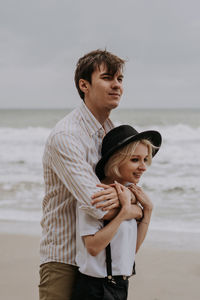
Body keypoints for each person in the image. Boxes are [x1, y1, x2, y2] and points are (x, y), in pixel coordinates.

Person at [39, 50, 142, 300]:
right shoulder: (66, 136)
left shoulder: (114, 133)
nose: (116, 85)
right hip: (65, 259)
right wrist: (133, 204)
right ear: (84, 85)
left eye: (120, 79)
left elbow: (135, 189)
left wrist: (134, 204)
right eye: (107, 78)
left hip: (101, 262)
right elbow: (99, 207)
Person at [71, 125, 162, 300]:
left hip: (120, 286)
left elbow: (131, 249)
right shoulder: (97, 194)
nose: (143, 167)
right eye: (135, 160)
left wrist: (147, 211)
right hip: (95, 289)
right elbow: (93, 247)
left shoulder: (131, 193)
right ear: (116, 161)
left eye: (145, 159)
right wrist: (124, 213)